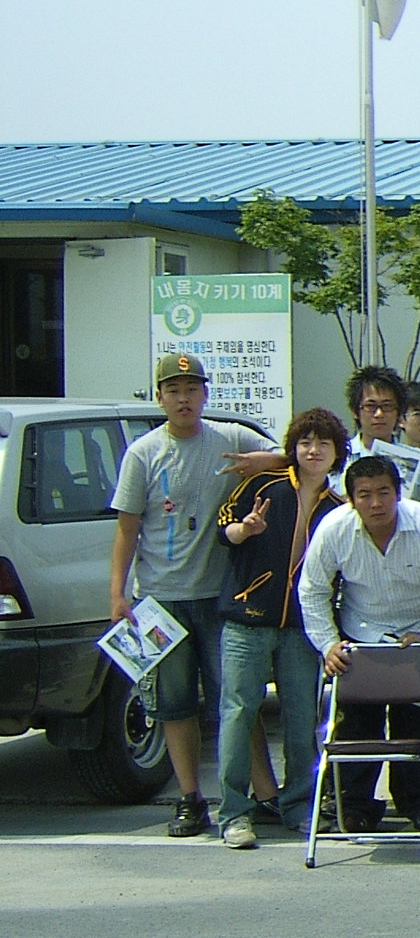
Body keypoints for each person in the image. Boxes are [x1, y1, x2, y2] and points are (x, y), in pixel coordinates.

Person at [109, 352, 277, 838]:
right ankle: (189, 798)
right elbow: (126, 530)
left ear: (205, 394)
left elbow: (298, 453)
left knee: (238, 699)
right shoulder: (142, 453)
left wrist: (257, 462)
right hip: (158, 601)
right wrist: (117, 597)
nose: (184, 399)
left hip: (222, 597)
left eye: (192, 389)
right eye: (174, 390)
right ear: (160, 397)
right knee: (174, 704)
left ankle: (263, 793)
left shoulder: (228, 438)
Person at [298, 454, 420, 831]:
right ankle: (357, 807)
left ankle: (418, 805)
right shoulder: (333, 529)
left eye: (384, 492)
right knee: (356, 727)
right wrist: (328, 644)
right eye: (364, 495)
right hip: (360, 636)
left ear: (400, 494)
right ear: (351, 500)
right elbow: (311, 591)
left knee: (416, 726)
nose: (375, 503)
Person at [213, 407, 349, 847]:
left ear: (336, 454)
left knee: (301, 718)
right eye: (305, 442)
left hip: (302, 629)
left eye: (323, 444)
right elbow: (223, 528)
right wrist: (243, 531)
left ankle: (299, 806)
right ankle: (234, 812)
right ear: (292, 448)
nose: (313, 451)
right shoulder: (263, 485)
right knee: (237, 713)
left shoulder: (338, 509)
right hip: (247, 619)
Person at [343, 365, 420, 501]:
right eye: (370, 406)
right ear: (355, 411)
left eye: (387, 406)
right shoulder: (339, 457)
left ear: (399, 412)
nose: (379, 414)